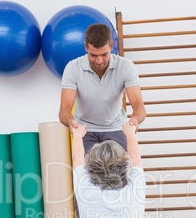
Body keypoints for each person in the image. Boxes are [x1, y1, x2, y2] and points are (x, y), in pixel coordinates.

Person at [59, 23, 146, 153]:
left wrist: (135, 120)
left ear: (111, 46)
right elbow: (64, 109)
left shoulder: (126, 66)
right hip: (85, 129)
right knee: (87, 172)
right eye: (93, 55)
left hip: (116, 127)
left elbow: (139, 106)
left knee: (119, 172)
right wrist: (71, 122)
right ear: (85, 47)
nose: (99, 61)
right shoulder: (73, 68)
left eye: (104, 54)